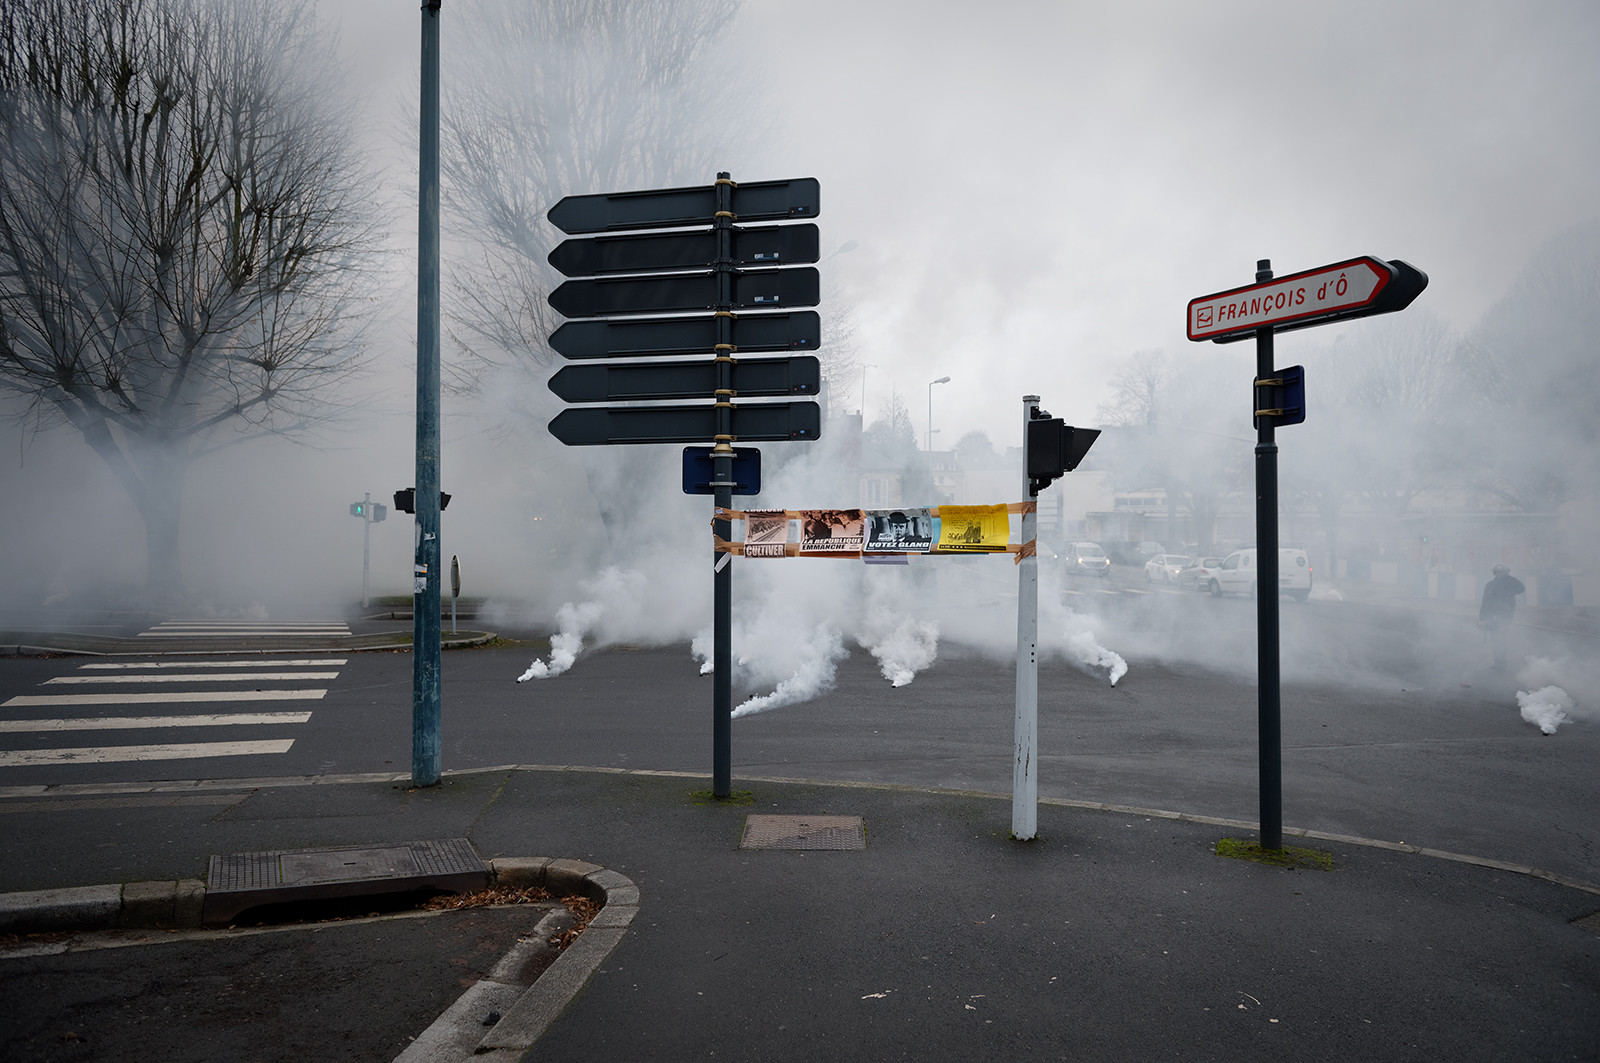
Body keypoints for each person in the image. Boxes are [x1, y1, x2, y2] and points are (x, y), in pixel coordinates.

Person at [1478, 563, 1525, 669]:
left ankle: (1501, 662)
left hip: (1504, 615)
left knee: (1501, 638)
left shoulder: (1510, 583)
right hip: (1491, 615)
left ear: (1506, 573)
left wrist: (1509, 579)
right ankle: (1497, 662)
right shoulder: (1489, 584)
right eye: (1497, 572)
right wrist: (1481, 617)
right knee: (1494, 639)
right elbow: (1485, 602)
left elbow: (1521, 588)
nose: (1499, 574)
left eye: (1501, 572)